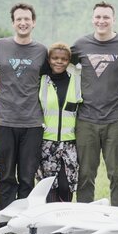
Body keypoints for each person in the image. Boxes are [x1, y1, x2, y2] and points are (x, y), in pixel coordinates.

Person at [72, 2, 118, 216]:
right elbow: (58, 61)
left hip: (116, 120)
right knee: (85, 175)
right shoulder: (80, 45)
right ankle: (84, 223)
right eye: (98, 17)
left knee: (117, 174)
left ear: (113, 20)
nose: (101, 21)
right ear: (92, 19)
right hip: (86, 119)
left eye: (106, 17)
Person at [0, 3, 47, 234]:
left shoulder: (42, 51)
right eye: (18, 19)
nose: (23, 23)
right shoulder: (0, 46)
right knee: (6, 177)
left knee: (27, 178)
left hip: (32, 123)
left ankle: (24, 227)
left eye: (27, 19)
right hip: (4, 121)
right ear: (12, 22)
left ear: (34, 22)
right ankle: (7, 228)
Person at [36, 43, 82, 203]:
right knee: (48, 186)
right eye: (55, 58)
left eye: (63, 59)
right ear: (49, 60)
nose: (59, 62)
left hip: (69, 143)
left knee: (66, 184)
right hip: (46, 143)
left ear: (69, 61)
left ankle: (64, 221)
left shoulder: (76, 81)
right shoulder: (41, 81)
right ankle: (48, 224)